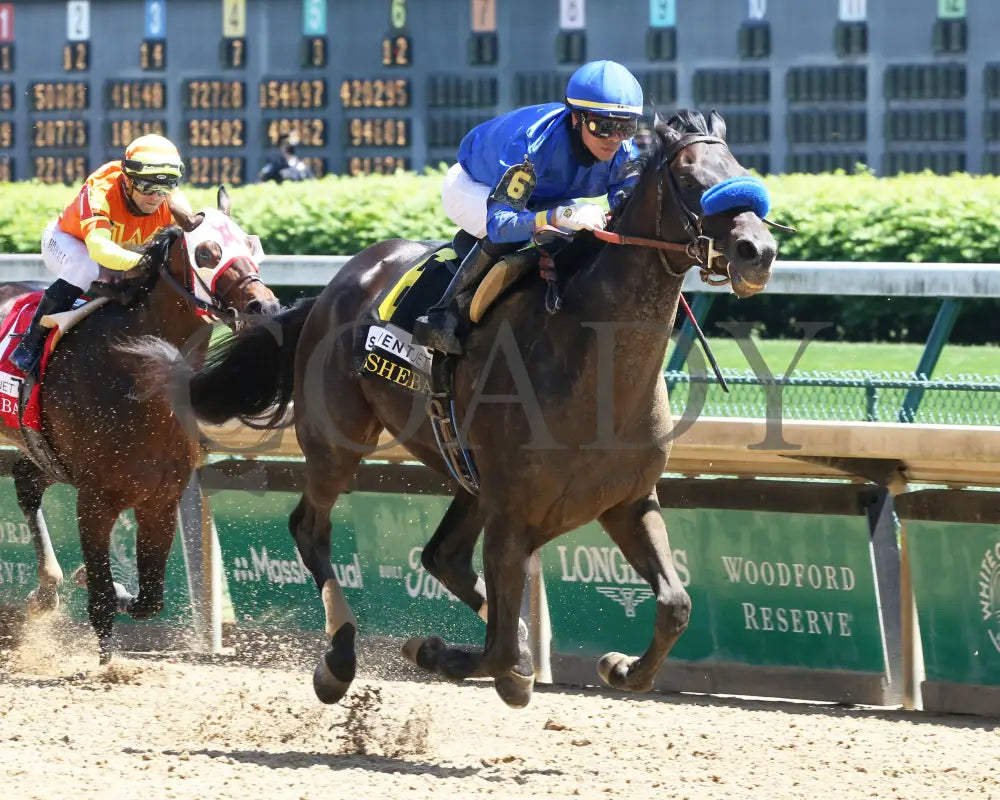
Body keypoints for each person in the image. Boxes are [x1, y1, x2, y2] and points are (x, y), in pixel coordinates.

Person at [413, 59, 644, 354]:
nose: (614, 139)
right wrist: (563, 215)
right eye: (604, 126)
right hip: (475, 186)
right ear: (576, 119)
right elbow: (501, 225)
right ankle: (441, 315)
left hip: (544, 196)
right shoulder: (530, 146)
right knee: (520, 234)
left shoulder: (624, 151)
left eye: (626, 128)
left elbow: (627, 214)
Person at [9, 134, 190, 374]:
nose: (156, 197)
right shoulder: (101, 189)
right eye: (147, 186)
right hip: (68, 241)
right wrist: (148, 263)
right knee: (86, 267)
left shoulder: (172, 198)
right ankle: (31, 342)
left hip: (120, 253)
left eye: (164, 187)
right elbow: (99, 249)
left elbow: (193, 234)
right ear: (127, 180)